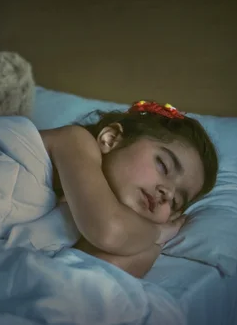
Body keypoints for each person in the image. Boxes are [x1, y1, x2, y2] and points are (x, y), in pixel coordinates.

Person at [39, 100, 218, 278]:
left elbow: (91, 274)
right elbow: (110, 231)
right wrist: (157, 234)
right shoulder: (74, 140)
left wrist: (153, 246)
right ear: (110, 138)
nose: (168, 193)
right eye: (163, 166)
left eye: (175, 202)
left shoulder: (83, 223)